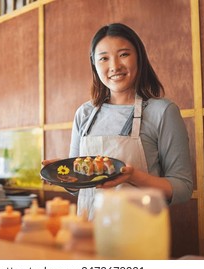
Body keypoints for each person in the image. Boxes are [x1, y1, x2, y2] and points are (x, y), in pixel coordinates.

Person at [44, 23, 193, 220]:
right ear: (94, 65)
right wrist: (60, 176)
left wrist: (133, 177)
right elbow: (78, 187)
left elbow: (182, 187)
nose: (114, 66)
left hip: (137, 237)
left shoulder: (163, 111)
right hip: (88, 234)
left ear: (139, 57)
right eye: (104, 58)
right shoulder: (84, 114)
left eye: (123, 54)